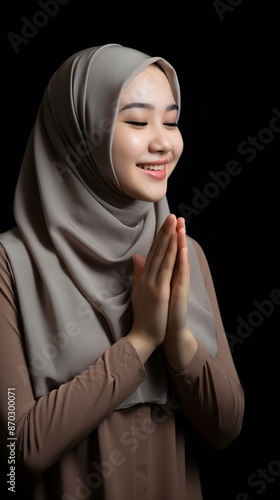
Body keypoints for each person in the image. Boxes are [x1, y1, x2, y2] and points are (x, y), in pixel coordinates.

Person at [0, 43, 244, 500]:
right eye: (136, 121)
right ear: (75, 135)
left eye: (171, 121)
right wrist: (142, 340)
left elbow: (226, 427)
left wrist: (177, 338)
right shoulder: (12, 263)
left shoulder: (181, 251)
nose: (163, 142)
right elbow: (18, 453)